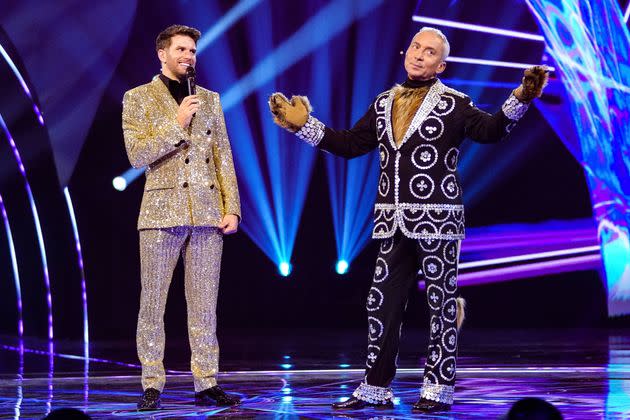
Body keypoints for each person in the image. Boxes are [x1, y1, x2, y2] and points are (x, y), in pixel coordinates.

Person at [269, 27, 548, 413]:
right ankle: (375, 387)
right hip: (393, 220)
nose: (419, 55)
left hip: (438, 218)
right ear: (406, 51)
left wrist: (520, 98)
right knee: (381, 303)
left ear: (441, 64)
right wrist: (304, 126)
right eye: (416, 47)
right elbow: (350, 145)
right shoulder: (384, 102)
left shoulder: (454, 103)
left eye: (430, 51)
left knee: (441, 303)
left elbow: (491, 131)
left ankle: (437, 388)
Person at [122, 24, 241, 410]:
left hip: (207, 214)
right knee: (153, 303)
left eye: (192, 50)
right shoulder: (138, 98)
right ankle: (152, 383)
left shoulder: (209, 98)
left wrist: (232, 207)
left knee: (205, 306)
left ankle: (206, 383)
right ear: (163, 53)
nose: (188, 56)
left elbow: (222, 155)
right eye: (181, 49)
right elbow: (137, 154)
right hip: (160, 213)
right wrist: (176, 123)